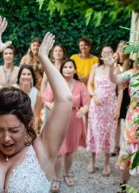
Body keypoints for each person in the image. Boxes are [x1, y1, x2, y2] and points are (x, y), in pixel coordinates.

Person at [0, 17, 72, 193]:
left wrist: (43, 58)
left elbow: (64, 99)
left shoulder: (43, 151)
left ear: (27, 126)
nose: (5, 138)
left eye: (14, 130)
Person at [106, 57, 139, 193]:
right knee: (128, 152)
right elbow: (114, 80)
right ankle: (122, 188)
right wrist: (110, 67)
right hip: (133, 120)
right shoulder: (133, 74)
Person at [44, 59, 90, 192]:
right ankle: (57, 177)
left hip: (74, 120)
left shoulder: (80, 85)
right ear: (61, 70)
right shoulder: (55, 84)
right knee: (59, 152)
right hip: (59, 120)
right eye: (65, 67)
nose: (68, 69)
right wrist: (50, 105)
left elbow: (86, 103)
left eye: (71, 67)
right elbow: (46, 99)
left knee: (70, 151)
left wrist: (84, 110)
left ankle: (67, 173)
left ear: (75, 70)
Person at [86, 45, 123, 176]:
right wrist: (93, 96)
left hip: (110, 106)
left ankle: (107, 164)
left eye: (109, 52)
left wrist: (118, 108)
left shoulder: (117, 69)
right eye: (104, 52)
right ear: (101, 54)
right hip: (96, 106)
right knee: (93, 131)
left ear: (113, 54)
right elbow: (89, 85)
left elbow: (120, 90)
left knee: (108, 134)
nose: (107, 54)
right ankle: (92, 160)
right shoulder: (96, 67)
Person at [40, 44, 67, 129]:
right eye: (56, 51)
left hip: (62, 97)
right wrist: (43, 98)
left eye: (60, 51)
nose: (58, 53)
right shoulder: (49, 66)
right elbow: (44, 82)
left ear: (63, 53)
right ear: (53, 53)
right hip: (49, 98)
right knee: (48, 121)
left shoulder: (66, 66)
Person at [114, 41, 132, 156]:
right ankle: (116, 146)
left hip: (127, 94)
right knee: (116, 122)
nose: (122, 51)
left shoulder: (130, 64)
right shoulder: (115, 63)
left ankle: (126, 145)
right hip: (115, 94)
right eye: (120, 48)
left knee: (126, 120)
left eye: (125, 49)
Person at [13, 64, 43, 132]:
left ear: (32, 76)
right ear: (19, 76)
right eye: (23, 74)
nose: (26, 77)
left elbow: (36, 116)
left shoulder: (37, 94)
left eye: (29, 74)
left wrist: (32, 132)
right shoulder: (13, 90)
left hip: (29, 127)